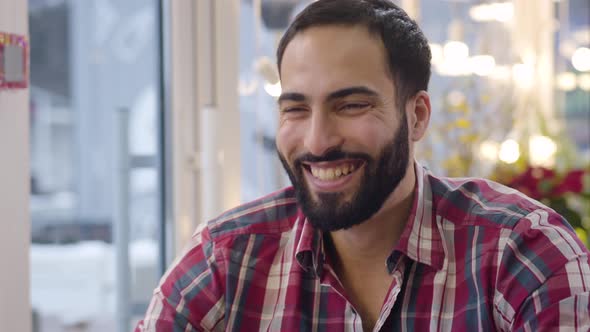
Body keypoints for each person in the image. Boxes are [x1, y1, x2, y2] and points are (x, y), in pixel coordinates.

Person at [136, 0, 590, 331]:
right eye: (295, 109)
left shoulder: (524, 254)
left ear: (416, 116)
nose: (317, 141)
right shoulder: (224, 259)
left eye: (351, 105)